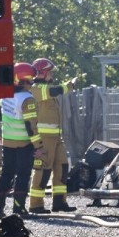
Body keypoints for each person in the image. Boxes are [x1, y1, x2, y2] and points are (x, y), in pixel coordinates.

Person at [0, 62, 45, 218]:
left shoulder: (3, 97)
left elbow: (0, 116)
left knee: (6, 175)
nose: (32, 83)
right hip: (24, 144)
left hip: (8, 142)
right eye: (31, 80)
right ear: (23, 79)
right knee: (22, 175)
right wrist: (39, 146)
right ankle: (19, 209)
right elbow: (31, 126)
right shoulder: (27, 99)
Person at [28, 58, 79, 214]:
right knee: (43, 170)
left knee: (62, 167)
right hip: (44, 138)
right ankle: (36, 204)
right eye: (50, 72)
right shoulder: (36, 89)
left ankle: (59, 202)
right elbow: (56, 90)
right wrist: (70, 85)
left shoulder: (44, 89)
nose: (52, 75)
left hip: (56, 137)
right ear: (43, 73)